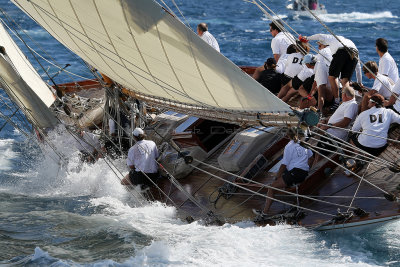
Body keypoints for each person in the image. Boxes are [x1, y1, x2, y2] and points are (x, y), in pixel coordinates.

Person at [253, 128, 313, 216]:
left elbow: (283, 165)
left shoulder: (289, 146)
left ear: (288, 136)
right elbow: (311, 158)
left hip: (295, 173)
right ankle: (293, 202)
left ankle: (264, 213)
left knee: (272, 188)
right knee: (285, 178)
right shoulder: (304, 144)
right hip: (303, 173)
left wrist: (276, 177)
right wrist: (306, 168)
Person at [305, 34, 362, 110]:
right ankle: (349, 102)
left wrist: (307, 38)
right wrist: (359, 82)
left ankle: (337, 101)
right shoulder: (350, 42)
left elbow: (319, 35)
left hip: (342, 51)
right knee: (345, 81)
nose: (319, 47)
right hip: (354, 54)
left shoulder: (332, 38)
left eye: (320, 45)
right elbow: (358, 66)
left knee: (332, 77)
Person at [314, 86, 358, 163]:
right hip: (330, 133)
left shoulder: (352, 105)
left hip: (335, 136)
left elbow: (345, 122)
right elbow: (337, 116)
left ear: (344, 95)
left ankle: (312, 172)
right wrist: (325, 120)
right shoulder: (346, 103)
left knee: (320, 154)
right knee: (317, 152)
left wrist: (328, 126)